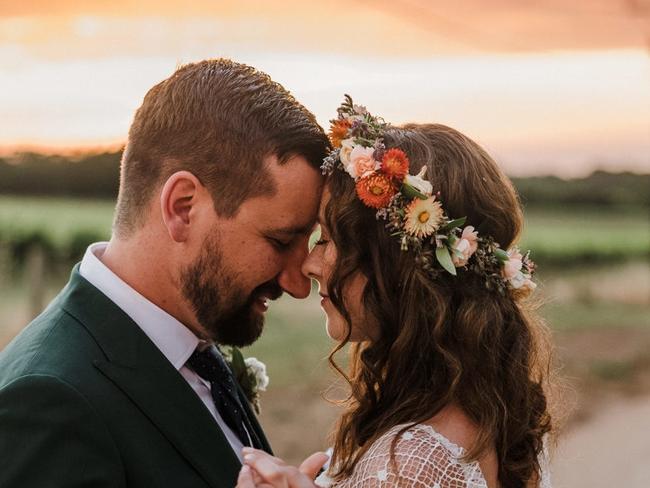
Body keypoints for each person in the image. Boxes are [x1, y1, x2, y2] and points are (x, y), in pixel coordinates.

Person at [0, 59, 330, 487]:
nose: (298, 284)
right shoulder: (51, 403)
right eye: (281, 242)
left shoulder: (193, 347)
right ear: (182, 206)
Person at [237, 98, 554, 487]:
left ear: (391, 262)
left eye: (329, 239)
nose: (309, 264)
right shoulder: (488, 416)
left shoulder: (412, 466)